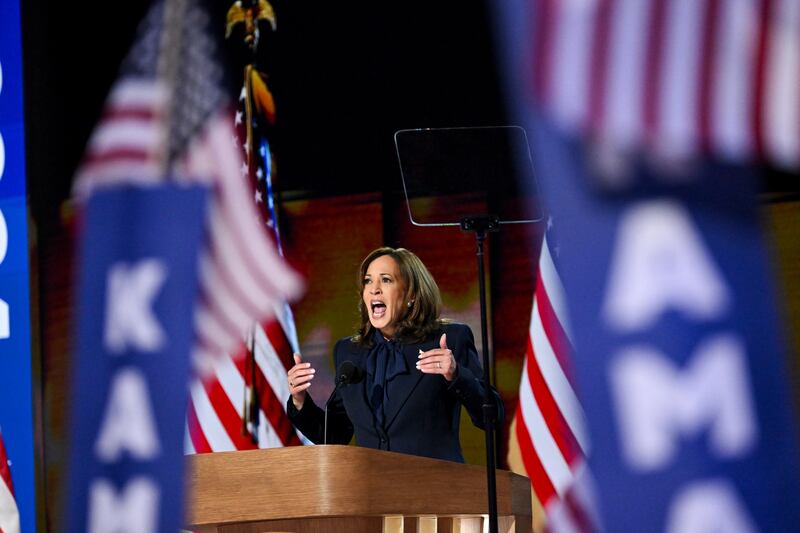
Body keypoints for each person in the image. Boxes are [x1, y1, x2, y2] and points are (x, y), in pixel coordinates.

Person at [286, 246, 503, 463]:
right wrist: (300, 400)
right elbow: (334, 434)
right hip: (373, 490)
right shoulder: (350, 352)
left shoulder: (449, 339)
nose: (374, 289)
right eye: (368, 281)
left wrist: (457, 375)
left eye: (386, 280)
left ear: (411, 294)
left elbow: (492, 417)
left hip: (434, 489)